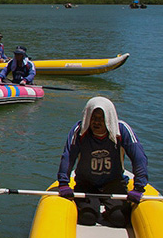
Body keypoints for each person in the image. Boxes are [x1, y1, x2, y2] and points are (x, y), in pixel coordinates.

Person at [56, 97, 148, 228]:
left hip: (113, 182)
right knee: (87, 218)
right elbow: (68, 156)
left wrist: (139, 187)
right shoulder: (79, 131)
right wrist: (63, 183)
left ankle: (109, 212)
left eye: (101, 118)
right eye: (93, 118)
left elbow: (139, 158)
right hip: (86, 183)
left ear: (109, 118)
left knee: (119, 219)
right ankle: (92, 207)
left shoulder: (122, 130)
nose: (96, 122)